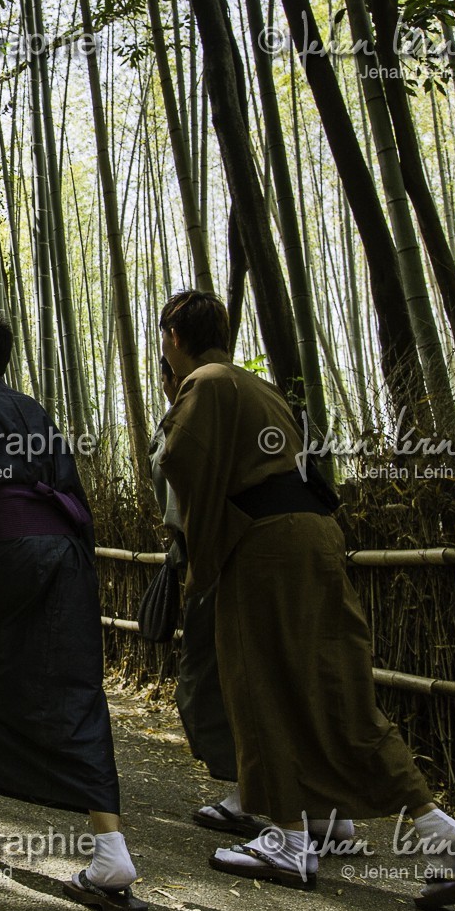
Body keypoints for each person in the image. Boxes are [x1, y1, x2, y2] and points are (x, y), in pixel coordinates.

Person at [155, 289, 455, 908]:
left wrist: (198, 558)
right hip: (314, 536)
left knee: (255, 682)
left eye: (163, 339)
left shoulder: (202, 382)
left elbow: (180, 461)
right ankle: (440, 832)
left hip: (261, 546)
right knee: (336, 684)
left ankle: (286, 837)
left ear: (174, 336)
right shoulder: (260, 389)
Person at [0, 310, 145, 911]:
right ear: (7, 361)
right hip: (64, 554)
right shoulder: (37, 413)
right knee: (73, 685)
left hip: (0, 549)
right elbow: (71, 493)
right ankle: (110, 851)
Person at [151, 356, 267, 840]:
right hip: (269, 550)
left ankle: (250, 796)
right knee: (276, 674)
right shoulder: (258, 395)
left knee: (211, 679)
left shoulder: (196, 401)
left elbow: (178, 495)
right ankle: (324, 811)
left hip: (224, 555)